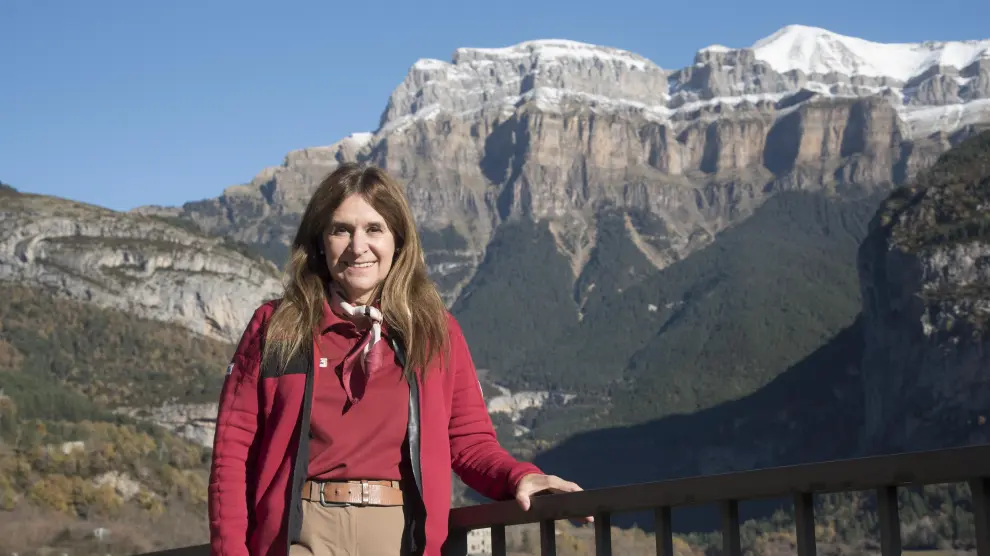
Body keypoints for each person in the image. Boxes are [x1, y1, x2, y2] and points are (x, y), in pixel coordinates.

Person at [207, 163, 586, 556]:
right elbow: (232, 455)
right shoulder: (277, 326)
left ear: (398, 241)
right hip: (298, 534)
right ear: (320, 241)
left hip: (401, 535)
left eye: (374, 229)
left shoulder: (434, 330)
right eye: (341, 229)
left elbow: (468, 441)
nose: (358, 247)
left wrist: (520, 476)